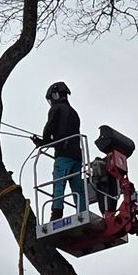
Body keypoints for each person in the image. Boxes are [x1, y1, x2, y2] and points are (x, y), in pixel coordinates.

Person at [37, 81, 89, 226]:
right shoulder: (74, 113)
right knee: (78, 187)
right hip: (77, 156)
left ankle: (56, 214)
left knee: (58, 183)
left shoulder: (56, 108)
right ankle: (83, 213)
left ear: (54, 95)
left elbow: (50, 127)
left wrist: (44, 141)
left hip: (63, 155)